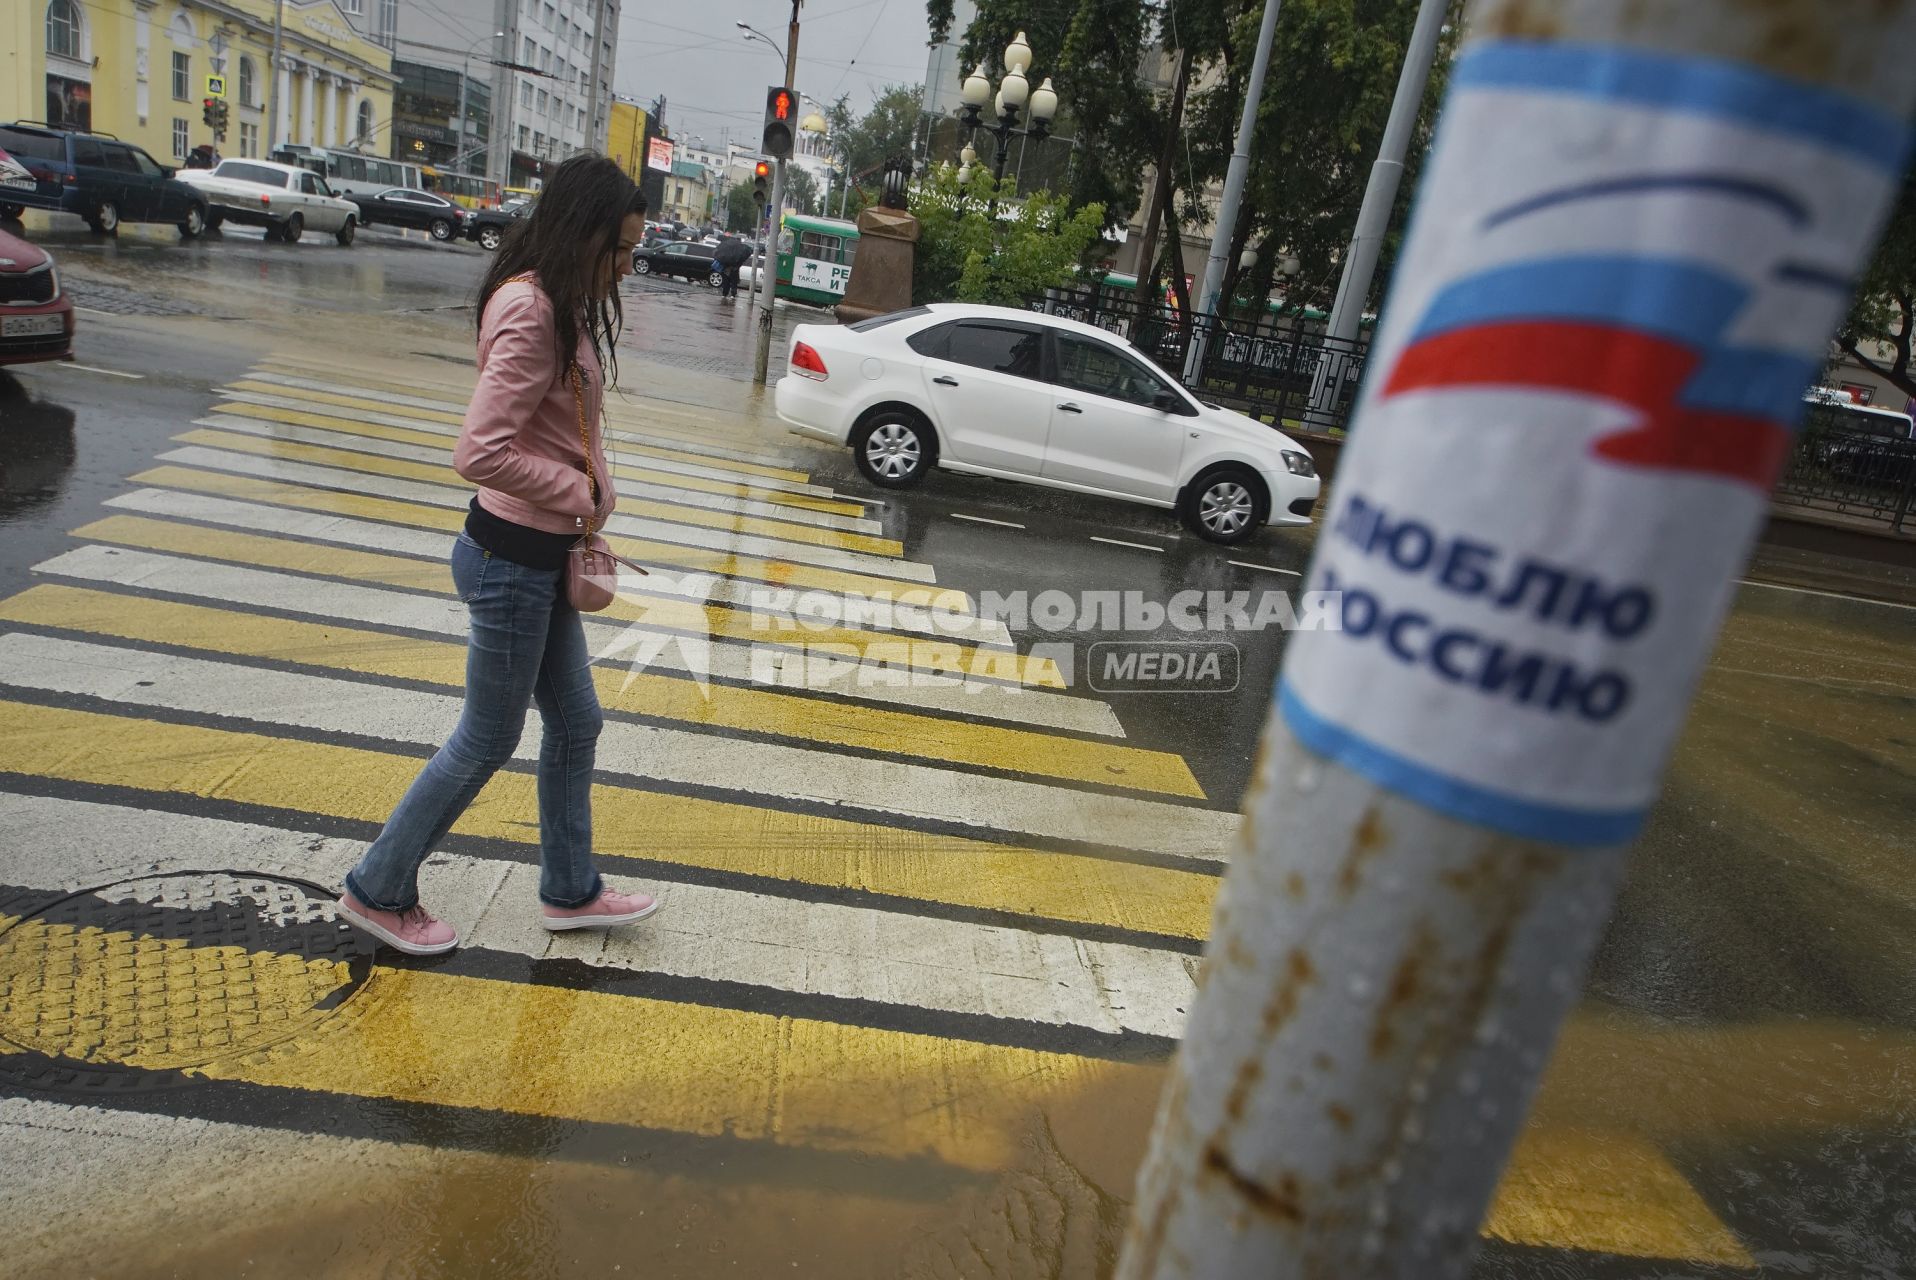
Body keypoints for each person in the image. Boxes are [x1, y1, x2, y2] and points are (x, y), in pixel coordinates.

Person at [336, 154, 655, 956]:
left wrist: (587, 495)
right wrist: (575, 491)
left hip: (538, 559)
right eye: (619, 248)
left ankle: (570, 890)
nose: (627, 265)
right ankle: (379, 888)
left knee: (577, 722)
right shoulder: (531, 307)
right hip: (512, 562)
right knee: (486, 739)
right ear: (581, 233)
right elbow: (479, 449)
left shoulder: (560, 299)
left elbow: (558, 425)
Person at [714, 234, 750, 301]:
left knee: (726, 281)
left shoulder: (726, 245)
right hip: (734, 268)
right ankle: (733, 295)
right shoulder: (740, 248)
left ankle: (724, 294)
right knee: (734, 282)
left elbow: (718, 254)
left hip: (726, 267)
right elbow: (742, 257)